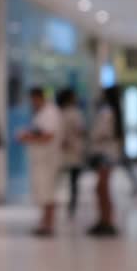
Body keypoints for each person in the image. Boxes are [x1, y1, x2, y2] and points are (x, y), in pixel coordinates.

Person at [18, 87, 63, 237]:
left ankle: (48, 225)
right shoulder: (42, 113)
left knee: (48, 192)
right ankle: (44, 223)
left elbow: (48, 136)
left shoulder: (50, 113)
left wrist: (28, 138)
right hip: (41, 159)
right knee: (43, 192)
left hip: (48, 159)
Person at [88, 86, 124, 237]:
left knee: (102, 189)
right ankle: (104, 219)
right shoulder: (116, 113)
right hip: (110, 153)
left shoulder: (106, 113)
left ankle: (107, 221)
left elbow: (99, 133)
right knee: (102, 188)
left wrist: (91, 136)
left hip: (104, 154)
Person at [57, 89, 86, 218]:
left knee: (69, 180)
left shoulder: (60, 113)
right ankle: (71, 206)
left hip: (67, 150)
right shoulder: (75, 113)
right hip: (72, 150)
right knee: (73, 181)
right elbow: (81, 130)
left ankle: (69, 205)